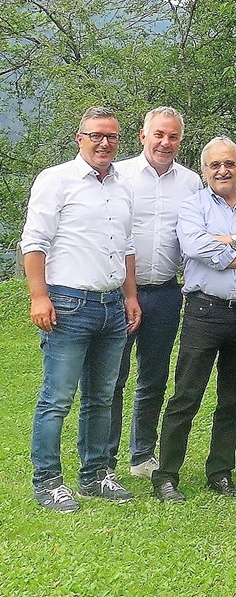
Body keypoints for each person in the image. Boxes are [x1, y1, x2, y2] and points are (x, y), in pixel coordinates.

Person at [151, 137, 236, 502]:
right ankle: (166, 476)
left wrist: (234, 240)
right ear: (204, 169)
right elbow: (197, 247)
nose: (223, 170)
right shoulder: (193, 206)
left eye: (229, 163)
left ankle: (220, 472)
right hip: (205, 311)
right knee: (186, 396)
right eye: (215, 165)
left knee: (234, 398)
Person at [23, 107, 141, 512]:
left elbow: (125, 246)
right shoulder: (56, 180)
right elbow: (34, 241)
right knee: (57, 398)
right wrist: (39, 296)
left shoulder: (122, 186)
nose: (104, 143)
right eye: (96, 135)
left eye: (111, 137)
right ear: (80, 138)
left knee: (102, 397)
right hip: (69, 304)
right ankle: (47, 483)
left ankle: (95, 475)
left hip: (111, 304)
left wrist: (130, 296)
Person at [107, 107, 201, 479]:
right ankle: (106, 459)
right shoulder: (119, 176)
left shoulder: (192, 182)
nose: (166, 143)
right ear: (142, 136)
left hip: (165, 292)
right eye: (159, 135)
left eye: (173, 136)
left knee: (154, 376)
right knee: (111, 379)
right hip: (117, 294)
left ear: (180, 140)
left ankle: (142, 455)